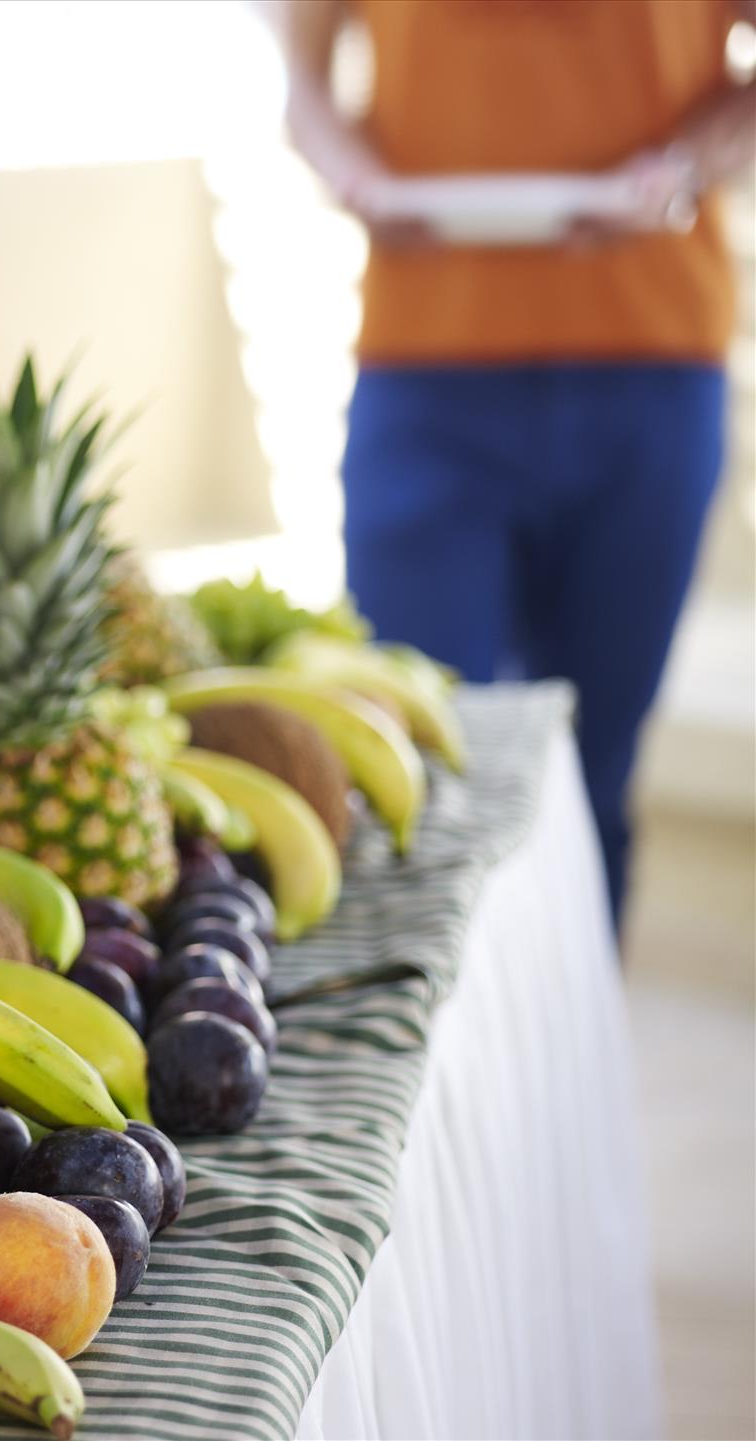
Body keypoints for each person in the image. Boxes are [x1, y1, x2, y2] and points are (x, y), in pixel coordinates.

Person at [282, 0, 755, 922]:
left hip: (652, 365)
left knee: (591, 779)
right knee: (412, 770)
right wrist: (350, 175)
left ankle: (578, 1010)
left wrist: (683, 168)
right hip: (423, 371)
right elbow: (302, 76)